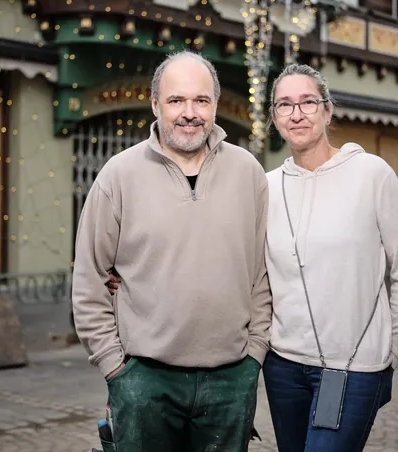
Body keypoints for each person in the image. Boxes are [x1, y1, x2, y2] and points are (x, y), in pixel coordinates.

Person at [71, 50, 272, 452]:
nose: (189, 113)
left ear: (215, 105)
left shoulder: (248, 172)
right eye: (176, 100)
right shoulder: (119, 175)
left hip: (231, 381)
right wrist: (115, 368)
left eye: (201, 100)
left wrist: (254, 355)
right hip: (144, 380)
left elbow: (262, 272)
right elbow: (89, 278)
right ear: (155, 105)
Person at [261, 63, 398, 451]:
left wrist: (394, 349)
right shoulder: (266, 187)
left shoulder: (371, 174)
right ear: (274, 117)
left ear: (328, 110)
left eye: (308, 102)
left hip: (352, 366)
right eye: (284, 105)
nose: (296, 114)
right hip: (283, 366)